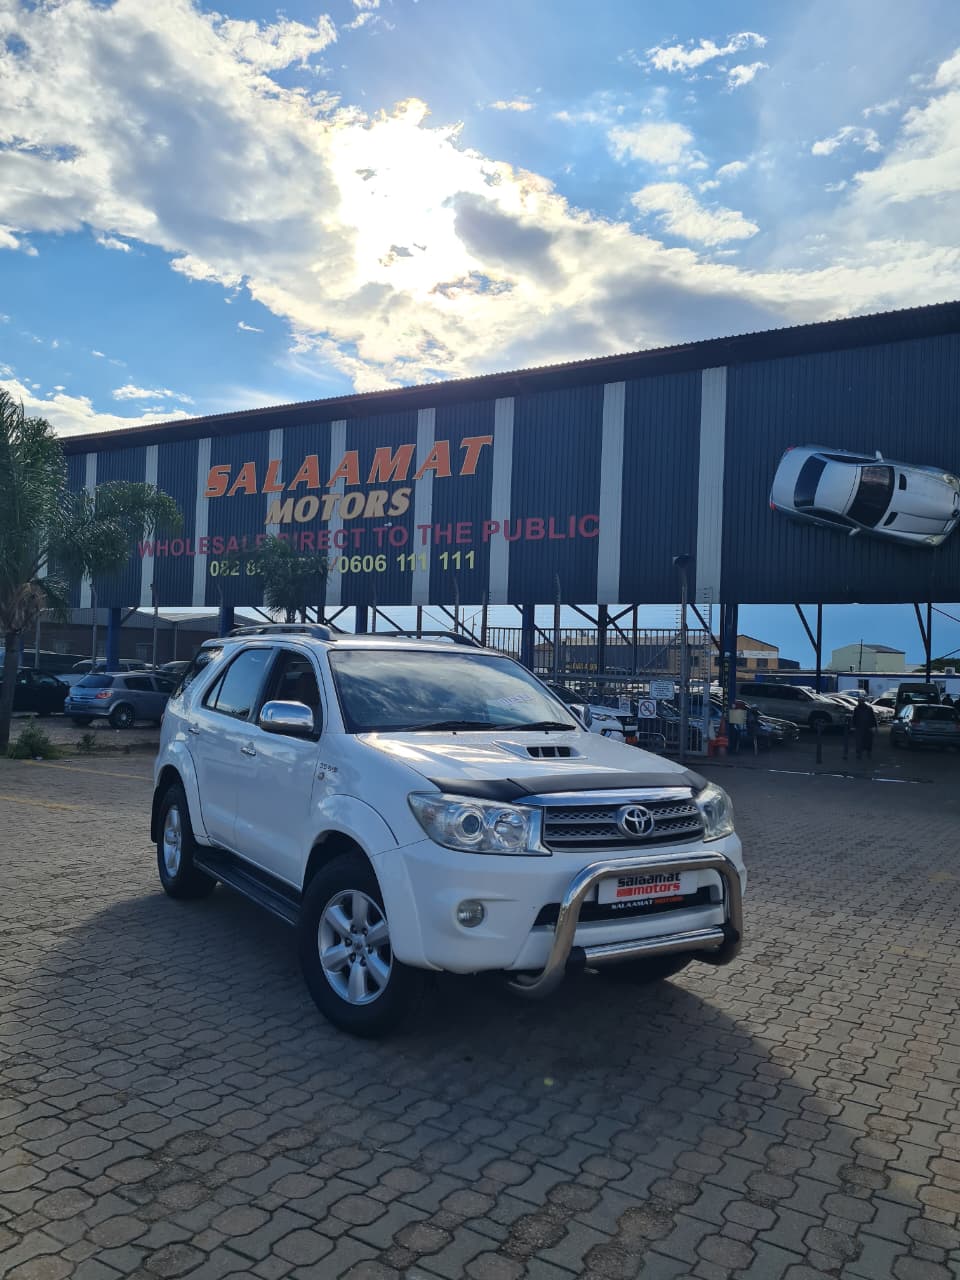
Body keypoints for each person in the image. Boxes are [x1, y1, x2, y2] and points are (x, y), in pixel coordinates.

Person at [851, 692, 877, 761]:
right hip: (862, 727)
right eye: (859, 701)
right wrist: (853, 726)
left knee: (865, 741)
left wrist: (874, 726)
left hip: (865, 726)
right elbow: (854, 718)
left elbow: (872, 717)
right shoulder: (858, 708)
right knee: (862, 741)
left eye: (861, 701)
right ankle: (862, 753)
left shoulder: (866, 708)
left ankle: (865, 753)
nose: (860, 702)